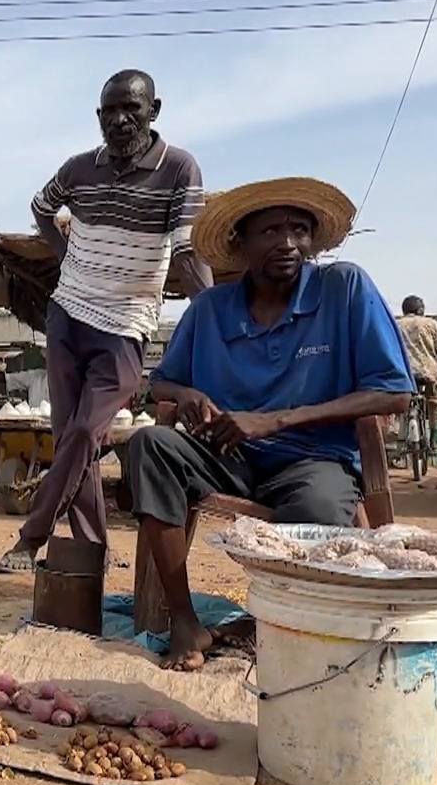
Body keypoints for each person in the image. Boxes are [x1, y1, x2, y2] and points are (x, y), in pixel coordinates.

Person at [122, 177, 414, 670]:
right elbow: (161, 385)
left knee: (320, 510)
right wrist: (189, 394)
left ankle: (275, 626)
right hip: (227, 457)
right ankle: (185, 621)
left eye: (299, 230)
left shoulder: (343, 288)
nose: (287, 243)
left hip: (314, 459)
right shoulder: (212, 309)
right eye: (271, 231)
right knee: (149, 445)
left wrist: (275, 420)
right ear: (239, 242)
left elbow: (394, 392)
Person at [0, 69, 212, 573]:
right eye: (109, 111)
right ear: (98, 117)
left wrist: (220, 311)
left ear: (153, 111)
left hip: (125, 325)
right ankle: (91, 548)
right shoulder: (78, 170)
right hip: (68, 315)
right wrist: (68, 253)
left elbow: (185, 249)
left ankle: (31, 538)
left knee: (83, 433)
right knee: (74, 435)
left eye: (131, 110)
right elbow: (41, 206)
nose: (119, 121)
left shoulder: (179, 168)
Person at [396, 294, 437, 453]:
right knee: (435, 403)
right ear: (420, 310)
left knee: (399, 404)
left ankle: (401, 438)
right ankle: (435, 440)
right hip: (428, 372)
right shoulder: (430, 323)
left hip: (403, 374)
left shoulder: (396, 325)